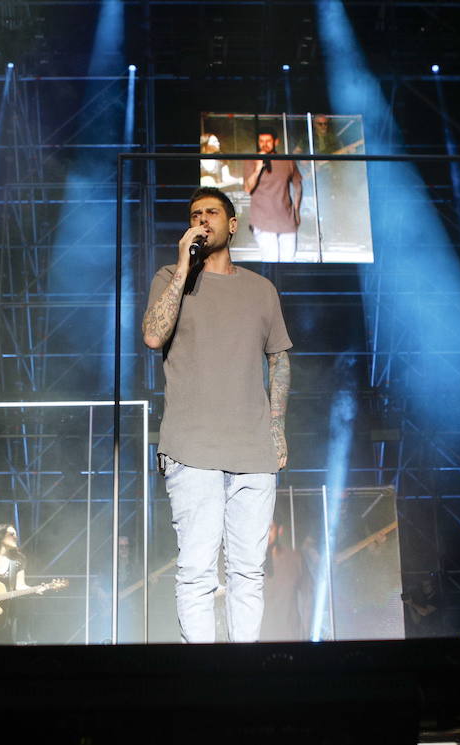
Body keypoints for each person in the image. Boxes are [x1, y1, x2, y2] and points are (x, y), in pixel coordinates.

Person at [142, 186, 293, 642]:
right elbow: (152, 336)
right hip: (192, 449)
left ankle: (244, 678)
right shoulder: (170, 276)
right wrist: (185, 266)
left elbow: (280, 359)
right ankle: (203, 678)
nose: (202, 219)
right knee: (196, 571)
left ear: (232, 224)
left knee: (248, 571)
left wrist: (277, 429)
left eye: (212, 212)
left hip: (253, 451)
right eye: (194, 214)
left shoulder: (261, 290)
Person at [242, 130, 302, 262]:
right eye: (261, 141)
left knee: (289, 262)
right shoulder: (251, 160)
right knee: (271, 260)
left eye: (268, 141)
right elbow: (247, 188)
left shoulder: (287, 161)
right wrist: (258, 168)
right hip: (263, 221)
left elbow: (298, 185)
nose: (264, 145)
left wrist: (296, 211)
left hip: (286, 220)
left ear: (276, 142)